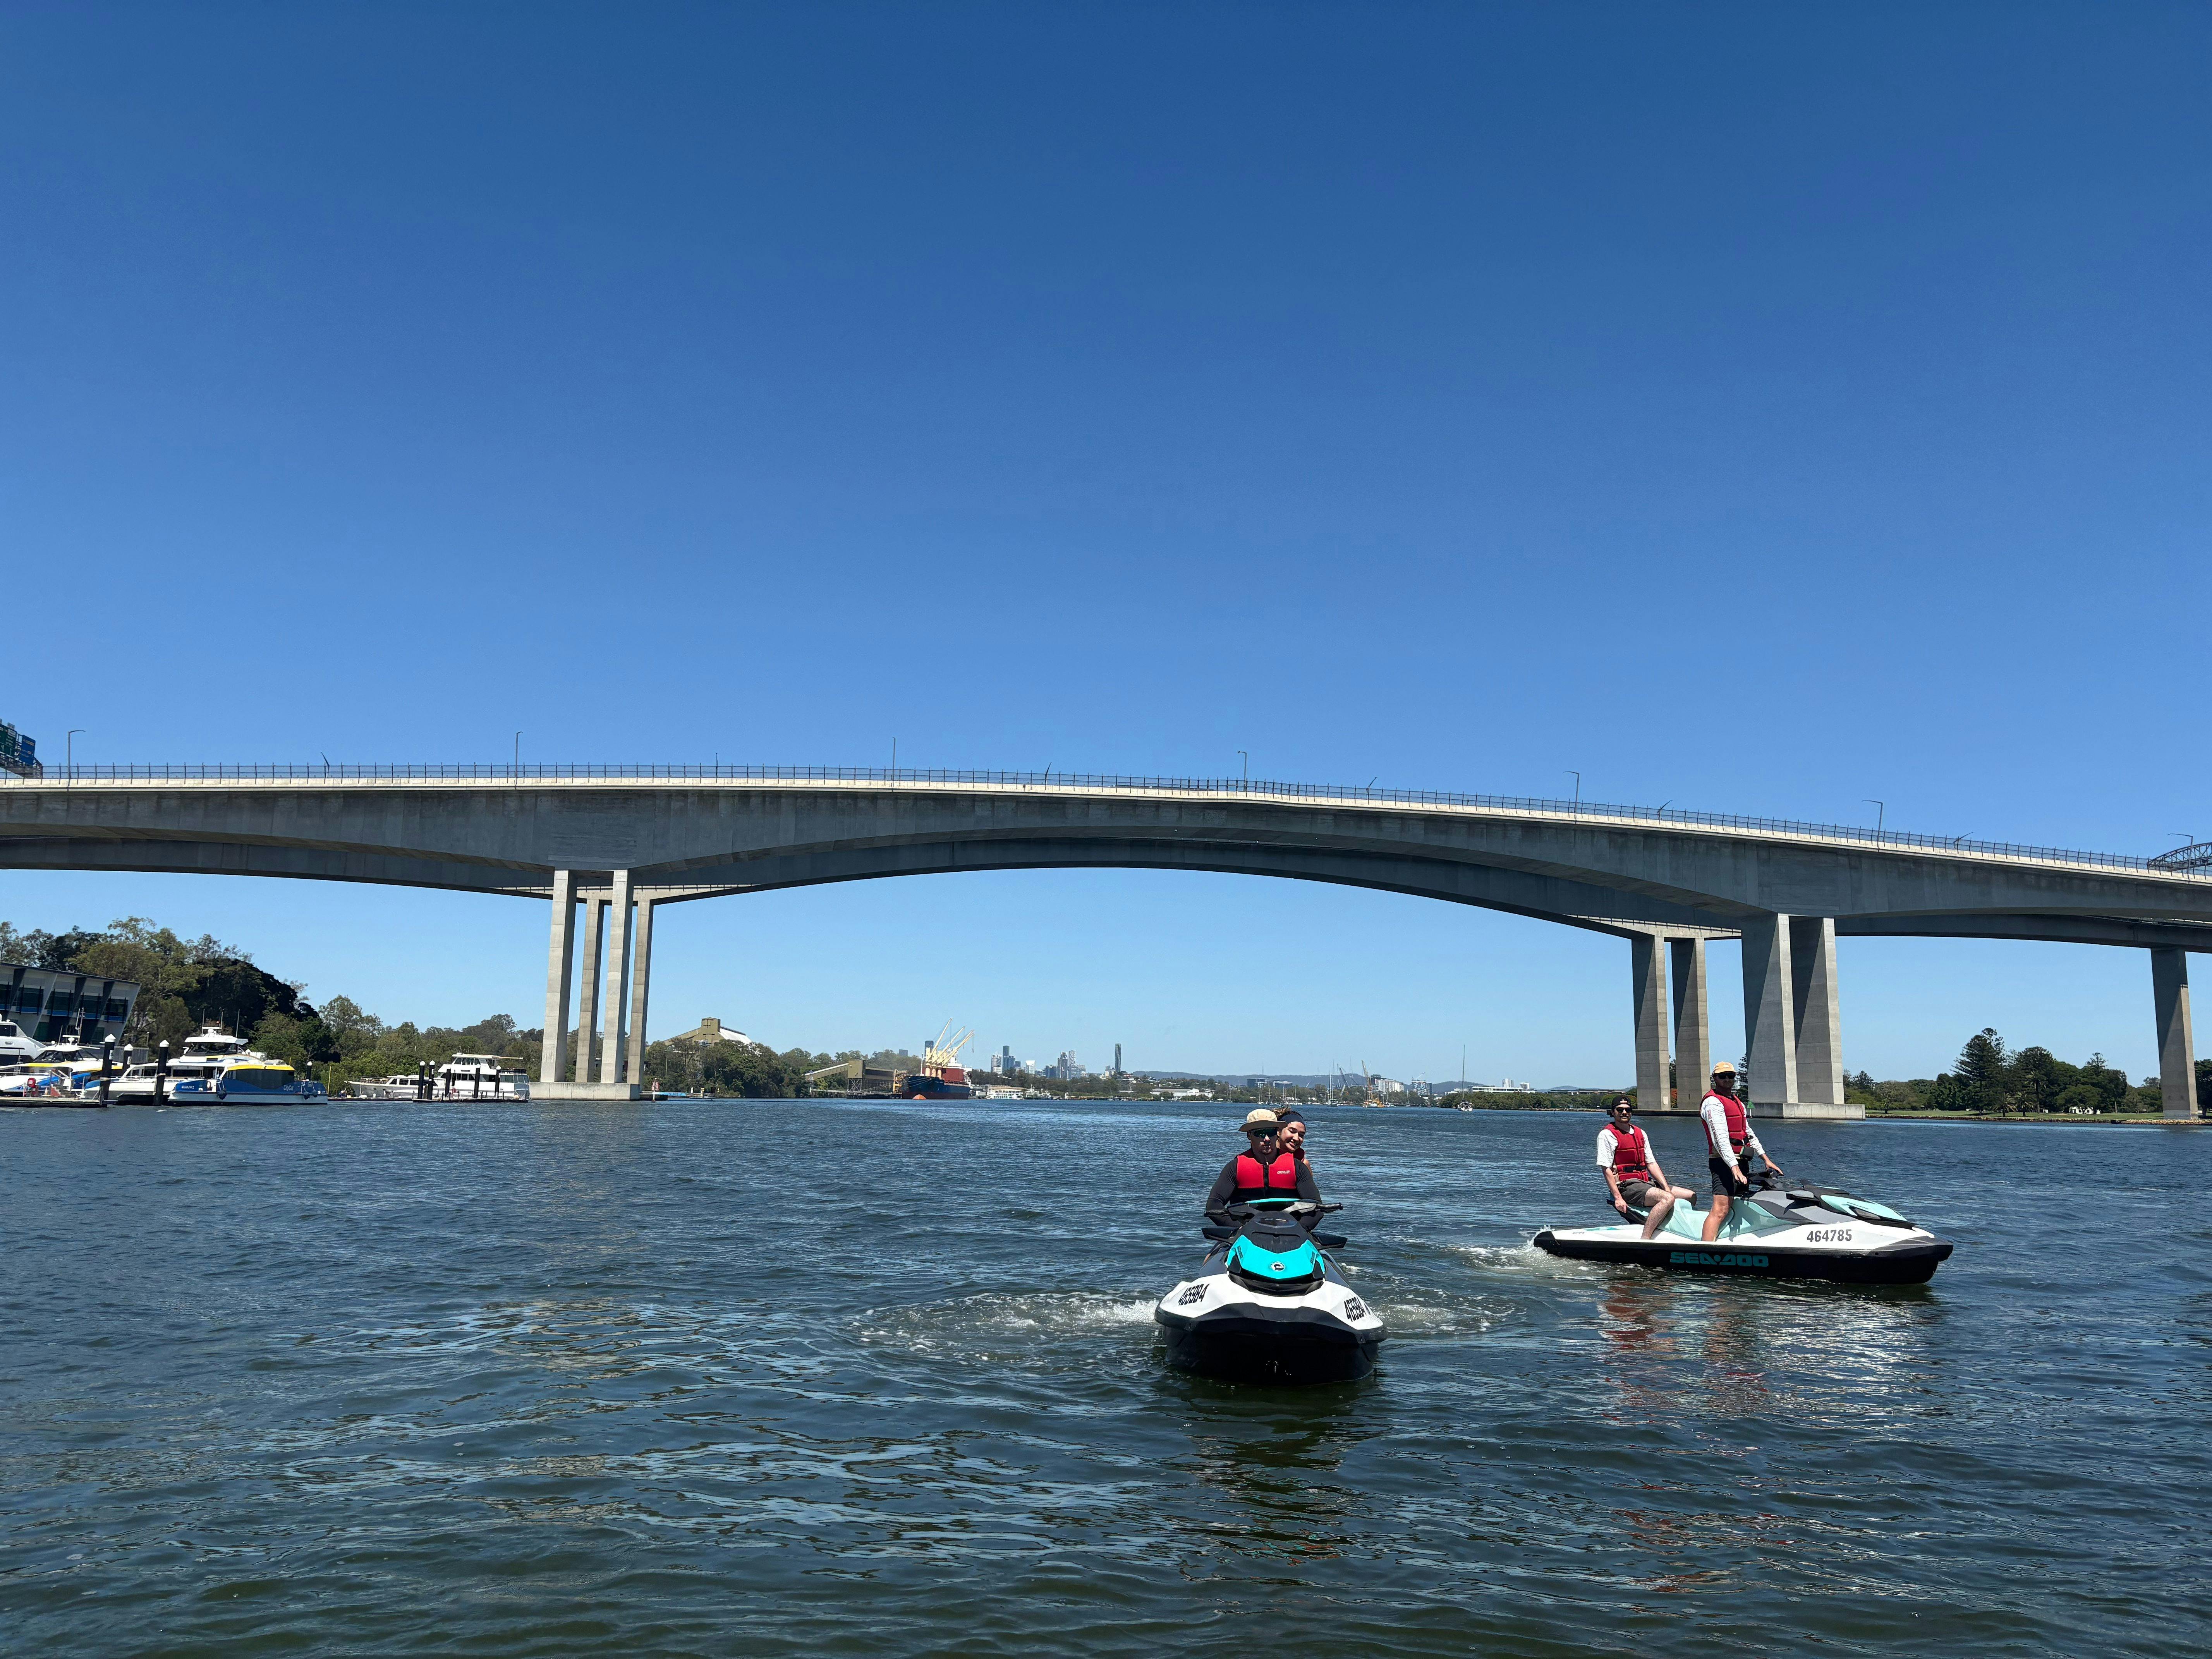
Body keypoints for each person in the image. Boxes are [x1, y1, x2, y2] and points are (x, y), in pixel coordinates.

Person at [1700, 1062, 1788, 1241]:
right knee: (1721, 1207)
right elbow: (1720, 1139)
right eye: (1722, 1076)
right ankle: (1705, 1248)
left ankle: (1733, 1239)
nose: (1727, 1079)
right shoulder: (1712, 1102)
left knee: (1738, 1202)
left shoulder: (1737, 1101)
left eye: (1731, 1076)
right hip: (1723, 1162)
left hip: (1741, 1160)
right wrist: (1734, 1167)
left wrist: (1766, 1159)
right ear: (1715, 1078)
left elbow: (1748, 1133)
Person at [1595, 1097, 1692, 1239]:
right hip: (1626, 1186)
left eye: (1628, 1110)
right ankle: (1646, 1239)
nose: (1624, 1113)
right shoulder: (1607, 1135)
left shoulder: (1641, 1133)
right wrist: (1618, 1198)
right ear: (1613, 1112)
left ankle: (1673, 1229)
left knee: (1690, 1196)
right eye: (1620, 1110)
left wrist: (1666, 1187)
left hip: (1646, 1183)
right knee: (1667, 1199)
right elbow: (1607, 1170)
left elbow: (1652, 1164)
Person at [1205, 1108, 1321, 1219]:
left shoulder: (1299, 1167)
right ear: (1249, 1135)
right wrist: (1238, 1230)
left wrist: (1300, 1228)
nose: (1266, 1139)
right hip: (1246, 1232)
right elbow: (1214, 1205)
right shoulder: (1234, 1168)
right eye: (1260, 1133)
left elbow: (1315, 1207)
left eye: (1270, 1132)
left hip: (1290, 1231)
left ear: (1277, 1133)